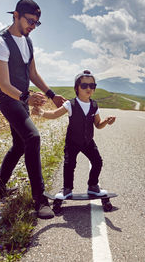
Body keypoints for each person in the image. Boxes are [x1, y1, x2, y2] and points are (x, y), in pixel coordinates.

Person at [0, 0, 65, 219]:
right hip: (7, 99)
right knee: (33, 137)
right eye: (30, 21)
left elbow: (32, 73)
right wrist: (27, 98)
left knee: (20, 145)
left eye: (37, 23)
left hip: (21, 99)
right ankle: (39, 199)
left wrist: (51, 95)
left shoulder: (28, 42)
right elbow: (3, 84)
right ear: (16, 15)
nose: (33, 26)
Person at [32, 70, 116, 200]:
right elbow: (54, 114)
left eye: (92, 86)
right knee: (69, 164)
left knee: (97, 162)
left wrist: (106, 121)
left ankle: (93, 186)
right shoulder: (70, 104)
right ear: (77, 88)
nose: (89, 88)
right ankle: (67, 189)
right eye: (84, 86)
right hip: (72, 141)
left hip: (88, 141)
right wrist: (41, 112)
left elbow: (98, 124)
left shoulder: (94, 105)